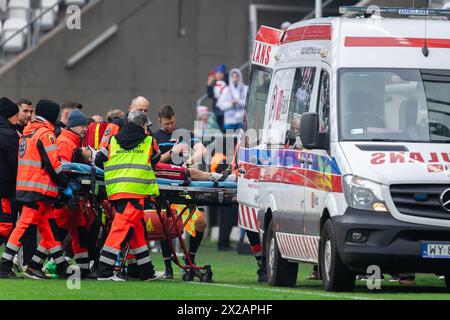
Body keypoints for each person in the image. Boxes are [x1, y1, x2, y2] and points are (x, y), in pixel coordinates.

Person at [0, 99, 71, 280]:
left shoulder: (27, 131)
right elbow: (53, 164)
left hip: (27, 186)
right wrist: (65, 183)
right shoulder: (45, 134)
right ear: (51, 115)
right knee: (23, 225)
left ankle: (58, 265)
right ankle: (5, 264)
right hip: (39, 188)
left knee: (47, 227)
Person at [96, 111, 160, 281]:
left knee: (137, 230)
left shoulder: (113, 140)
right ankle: (104, 272)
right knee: (119, 230)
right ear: (143, 125)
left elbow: (98, 160)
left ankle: (147, 272)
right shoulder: (149, 141)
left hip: (116, 191)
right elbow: (156, 158)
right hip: (136, 191)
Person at [53, 110, 91, 277]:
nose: (85, 129)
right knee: (59, 231)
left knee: (78, 228)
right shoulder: (65, 142)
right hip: (65, 197)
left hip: (72, 196)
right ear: (73, 126)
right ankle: (36, 264)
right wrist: (67, 193)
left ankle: (83, 268)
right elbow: (63, 170)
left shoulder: (72, 141)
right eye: (82, 126)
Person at [0, 98, 20, 248]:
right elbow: (15, 162)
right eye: (15, 114)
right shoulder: (9, 134)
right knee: (5, 225)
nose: (17, 117)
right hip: (4, 189)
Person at [207, 64, 228, 131]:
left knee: (224, 129)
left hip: (225, 111)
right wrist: (209, 83)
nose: (219, 75)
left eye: (221, 73)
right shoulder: (214, 85)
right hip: (216, 110)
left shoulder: (227, 84)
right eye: (217, 73)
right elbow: (210, 95)